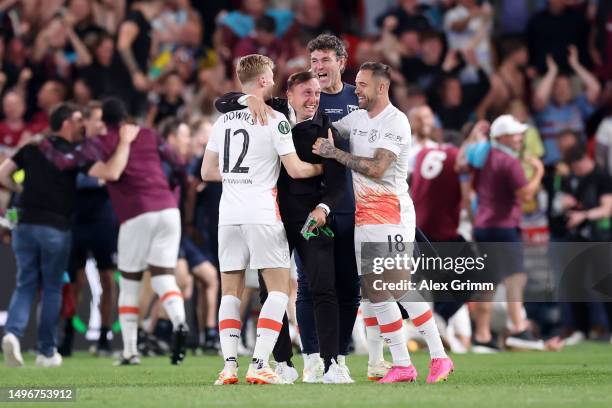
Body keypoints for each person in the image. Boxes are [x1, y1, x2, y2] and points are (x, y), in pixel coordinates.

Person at [218, 34, 364, 382]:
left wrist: (324, 207)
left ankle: (332, 362)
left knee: (322, 286)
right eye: (307, 93)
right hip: (276, 217)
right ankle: (283, 362)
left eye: (316, 93)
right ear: (290, 97)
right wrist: (246, 97)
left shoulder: (327, 131)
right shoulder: (274, 114)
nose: (314, 99)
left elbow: (339, 181)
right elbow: (223, 102)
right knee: (273, 290)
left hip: (312, 218)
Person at [313, 62, 454, 384]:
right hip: (366, 215)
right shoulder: (359, 118)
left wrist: (335, 153)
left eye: (361, 85)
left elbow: (377, 168)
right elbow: (329, 127)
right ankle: (404, 363)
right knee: (378, 291)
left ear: (381, 88)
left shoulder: (396, 121)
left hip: (391, 212)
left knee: (395, 287)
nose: (355, 90)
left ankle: (438, 356)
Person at [37, 98, 190, 366]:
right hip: (168, 209)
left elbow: (76, 163)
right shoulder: (149, 134)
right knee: (164, 276)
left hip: (135, 214)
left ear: (103, 121)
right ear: (126, 117)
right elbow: (177, 163)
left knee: (129, 283)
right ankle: (180, 321)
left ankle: (130, 351)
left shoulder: (98, 143)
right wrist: (170, 184)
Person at [201, 54, 321, 385]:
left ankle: (228, 367)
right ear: (265, 80)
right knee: (280, 290)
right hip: (263, 213)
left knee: (230, 293)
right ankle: (258, 362)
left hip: (229, 215)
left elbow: (207, 171)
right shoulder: (275, 118)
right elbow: (296, 170)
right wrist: (327, 166)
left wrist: (237, 179)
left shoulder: (221, 122)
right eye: (272, 75)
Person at [0, 103, 137, 367]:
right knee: (52, 288)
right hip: (55, 228)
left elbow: (2, 175)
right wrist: (125, 143)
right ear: (64, 123)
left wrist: (18, 187)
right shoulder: (75, 154)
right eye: (77, 120)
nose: (81, 124)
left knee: (25, 283)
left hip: (25, 226)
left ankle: (13, 334)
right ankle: (46, 351)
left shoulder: (32, 146)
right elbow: (111, 173)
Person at [462, 114, 545, 352]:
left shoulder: (482, 155)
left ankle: (482, 336)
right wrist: (538, 171)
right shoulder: (509, 162)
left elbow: (464, 168)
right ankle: (519, 329)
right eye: (516, 134)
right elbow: (526, 195)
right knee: (515, 279)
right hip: (504, 226)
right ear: (503, 137)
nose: (520, 138)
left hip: (483, 226)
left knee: (487, 283)